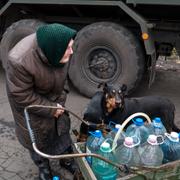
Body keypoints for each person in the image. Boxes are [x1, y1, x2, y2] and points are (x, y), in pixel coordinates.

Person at [5, 23, 77, 180]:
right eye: (68, 48)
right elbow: (21, 94)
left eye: (72, 47)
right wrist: (51, 108)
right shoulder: (19, 60)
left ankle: (66, 159)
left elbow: (63, 76)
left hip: (54, 97)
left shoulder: (60, 48)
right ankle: (43, 166)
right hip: (29, 104)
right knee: (37, 137)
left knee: (62, 129)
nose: (72, 52)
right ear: (53, 51)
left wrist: (61, 97)